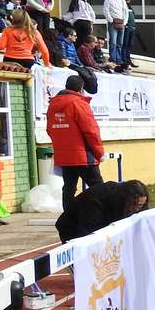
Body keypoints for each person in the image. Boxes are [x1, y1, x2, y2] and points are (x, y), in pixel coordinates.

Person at [46, 74, 106, 212]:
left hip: (64, 158)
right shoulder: (79, 103)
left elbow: (50, 130)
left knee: (68, 188)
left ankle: (68, 218)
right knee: (99, 188)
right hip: (83, 157)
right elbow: (91, 131)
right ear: (81, 88)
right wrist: (99, 153)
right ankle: (103, 216)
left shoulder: (52, 105)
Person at [55, 179, 149, 243]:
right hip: (73, 228)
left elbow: (142, 219)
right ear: (126, 199)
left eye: (140, 205)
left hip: (98, 222)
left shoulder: (128, 202)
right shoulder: (96, 202)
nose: (137, 209)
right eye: (134, 205)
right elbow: (88, 235)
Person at [103, 0, 129, 64]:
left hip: (121, 23)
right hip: (112, 22)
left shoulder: (122, 1)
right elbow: (105, 10)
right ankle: (113, 58)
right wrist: (111, 20)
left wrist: (124, 22)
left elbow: (125, 12)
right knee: (113, 42)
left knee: (120, 43)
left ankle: (119, 59)